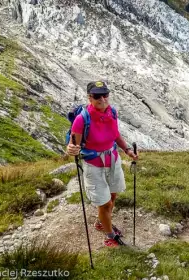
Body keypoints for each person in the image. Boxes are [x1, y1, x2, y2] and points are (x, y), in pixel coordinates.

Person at [66, 81, 138, 247]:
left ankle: (101, 222)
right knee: (105, 203)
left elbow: (116, 135)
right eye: (97, 96)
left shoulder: (112, 112)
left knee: (112, 196)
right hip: (93, 165)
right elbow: (72, 144)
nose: (102, 99)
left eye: (105, 95)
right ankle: (109, 235)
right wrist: (71, 149)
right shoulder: (81, 119)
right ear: (90, 97)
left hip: (112, 160)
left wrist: (127, 150)